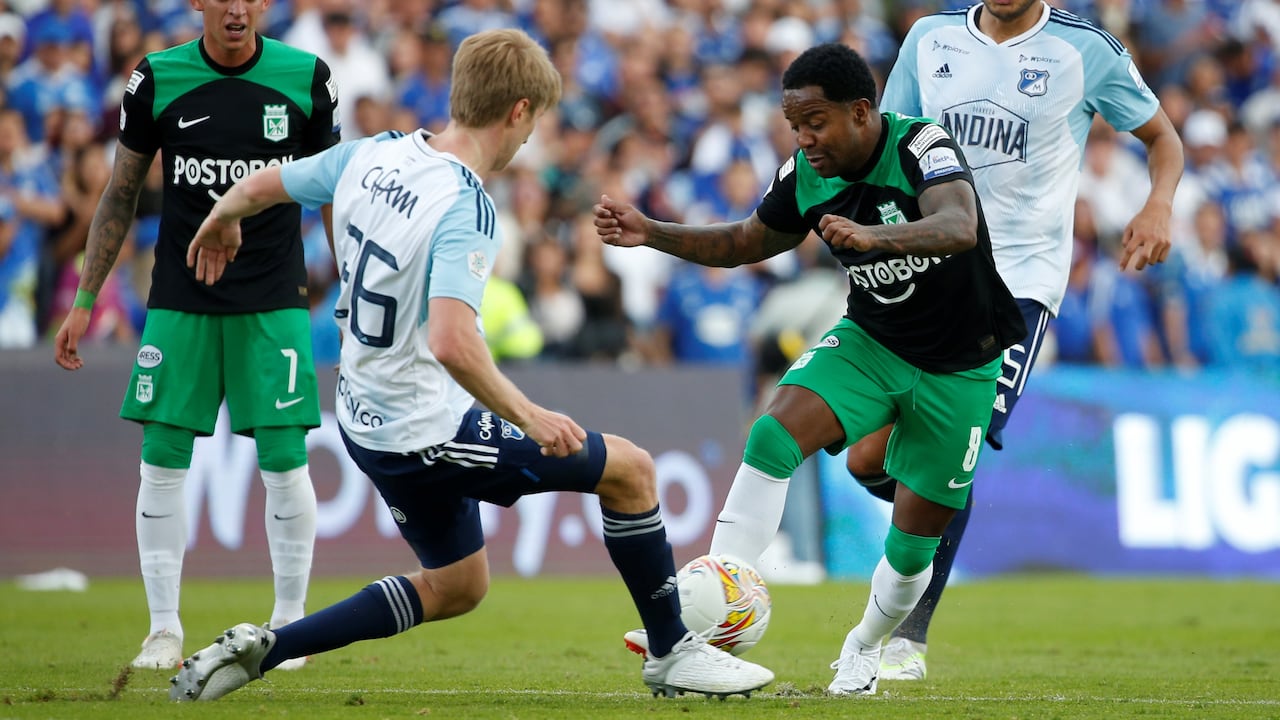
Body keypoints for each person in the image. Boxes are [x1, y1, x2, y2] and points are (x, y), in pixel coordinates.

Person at [168, 28, 775, 703]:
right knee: (631, 472)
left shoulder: (375, 154)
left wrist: (221, 218)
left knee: (459, 586)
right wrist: (531, 415)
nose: (529, 137)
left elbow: (261, 185)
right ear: (519, 111)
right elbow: (454, 341)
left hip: (364, 418)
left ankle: (267, 650)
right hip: (427, 424)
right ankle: (671, 652)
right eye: (534, 120)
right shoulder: (465, 204)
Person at [598, 42, 1026, 697]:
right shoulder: (804, 172)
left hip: (962, 364)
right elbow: (745, 242)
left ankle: (865, 645)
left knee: (912, 554)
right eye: (795, 125)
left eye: (815, 123)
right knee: (773, 433)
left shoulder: (921, 146)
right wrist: (651, 231)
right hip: (873, 341)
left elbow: (960, 223)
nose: (804, 139)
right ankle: (711, 610)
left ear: (861, 112)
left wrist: (878, 238)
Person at [845, 0, 1184, 681]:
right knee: (866, 461)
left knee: (952, 445)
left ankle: (909, 633)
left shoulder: (1086, 51)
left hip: (1018, 285)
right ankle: (946, 498)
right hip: (929, 269)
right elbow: (890, 145)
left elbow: (1165, 139)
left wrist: (1157, 204)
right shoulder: (931, 38)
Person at [52, 0, 341, 671]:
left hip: (273, 297)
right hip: (181, 296)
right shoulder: (155, 79)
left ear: (264, 5)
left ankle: (289, 626)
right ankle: (162, 630)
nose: (237, 8)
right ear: (199, 5)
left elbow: (330, 192)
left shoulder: (308, 79)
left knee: (284, 455)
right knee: (162, 458)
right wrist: (85, 298)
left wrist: (348, 288)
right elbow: (121, 192)